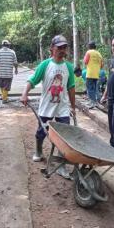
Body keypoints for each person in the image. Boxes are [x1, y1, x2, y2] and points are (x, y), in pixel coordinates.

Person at [21, 34, 75, 178]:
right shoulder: (45, 65)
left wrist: (73, 107)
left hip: (62, 107)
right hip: (46, 106)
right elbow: (32, 80)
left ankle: (61, 165)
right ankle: (38, 151)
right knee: (41, 132)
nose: (62, 50)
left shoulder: (68, 67)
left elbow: (71, 87)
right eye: (59, 47)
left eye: (64, 47)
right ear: (52, 48)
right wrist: (24, 93)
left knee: (65, 136)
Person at [83, 41, 103, 107]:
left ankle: (93, 102)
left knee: (89, 88)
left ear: (89, 47)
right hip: (97, 73)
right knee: (94, 88)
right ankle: (93, 101)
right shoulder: (99, 54)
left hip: (90, 73)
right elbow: (102, 65)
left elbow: (85, 62)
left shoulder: (89, 52)